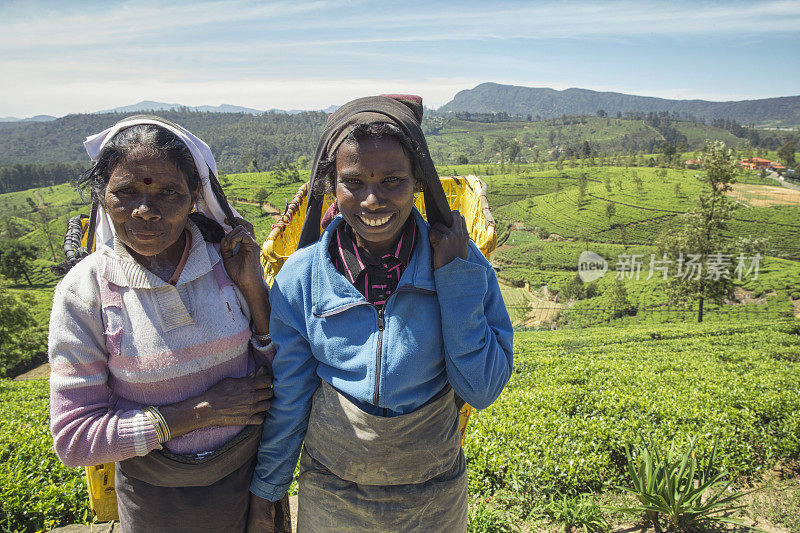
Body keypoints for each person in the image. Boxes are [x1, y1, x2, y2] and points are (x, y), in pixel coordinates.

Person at [248, 95, 514, 531]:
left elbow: (481, 389)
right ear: (332, 187)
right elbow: (290, 397)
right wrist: (268, 491)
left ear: (417, 183)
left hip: (432, 495)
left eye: (392, 180)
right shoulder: (302, 278)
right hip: (332, 491)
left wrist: (453, 280)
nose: (372, 200)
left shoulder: (463, 267)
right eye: (354, 182)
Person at [48, 116, 288, 532]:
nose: (145, 211)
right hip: (155, 501)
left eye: (169, 192)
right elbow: (74, 438)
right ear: (102, 195)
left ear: (195, 195)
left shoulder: (228, 262)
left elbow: (282, 372)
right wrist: (201, 412)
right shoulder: (84, 291)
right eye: (125, 192)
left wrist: (253, 291)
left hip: (248, 484)